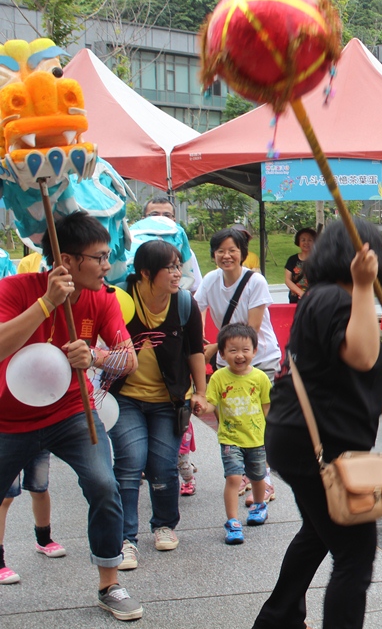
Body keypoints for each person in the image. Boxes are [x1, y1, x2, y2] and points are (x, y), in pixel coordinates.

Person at [252, 218, 382, 629]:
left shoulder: (322, 297)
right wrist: (362, 288)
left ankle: (278, 618)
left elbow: (347, 364)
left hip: (299, 437)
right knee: (355, 556)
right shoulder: (337, 298)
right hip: (315, 442)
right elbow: (359, 358)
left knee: (317, 534)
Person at [0, 210, 142, 621]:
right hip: (9, 418)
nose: (107, 265)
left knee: (103, 484)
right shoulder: (14, 289)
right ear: (67, 261)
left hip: (72, 412)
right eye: (99, 257)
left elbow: (127, 359)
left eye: (107, 255)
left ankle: (110, 583)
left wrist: (94, 354)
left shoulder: (104, 298)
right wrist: (47, 303)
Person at [107, 240, 208, 571]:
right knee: (130, 463)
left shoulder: (183, 303)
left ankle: (164, 524)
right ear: (146, 273)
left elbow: (195, 350)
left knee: (163, 466)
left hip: (168, 400)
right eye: (171, 268)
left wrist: (200, 392)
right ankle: (126, 539)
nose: (178, 273)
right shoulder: (119, 299)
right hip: (125, 398)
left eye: (180, 265)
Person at [196, 227, 282, 502]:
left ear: (243, 254)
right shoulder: (210, 280)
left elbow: (251, 330)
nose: (226, 256)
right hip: (225, 361)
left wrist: (215, 347)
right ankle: (243, 472)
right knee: (230, 417)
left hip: (259, 358)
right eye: (220, 251)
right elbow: (197, 310)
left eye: (232, 250)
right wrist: (199, 345)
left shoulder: (255, 282)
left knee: (255, 418)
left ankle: (263, 476)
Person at [206, 323, 272, 545]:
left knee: (257, 476)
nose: (240, 355)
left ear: (254, 351)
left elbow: (266, 407)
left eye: (245, 349)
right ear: (222, 353)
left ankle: (259, 506)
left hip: (256, 438)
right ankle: (233, 522)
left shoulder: (261, 378)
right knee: (234, 477)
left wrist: (271, 432)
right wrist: (200, 406)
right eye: (232, 350)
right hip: (230, 438)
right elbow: (210, 403)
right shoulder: (218, 378)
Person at [0, 451, 66, 585]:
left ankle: (44, 539)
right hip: (7, 436)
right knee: (5, 497)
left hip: (38, 436)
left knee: (39, 488)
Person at [129, 196, 202, 293]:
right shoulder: (129, 247)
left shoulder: (185, 253)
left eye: (166, 216)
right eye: (154, 215)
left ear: (174, 220)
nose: (161, 220)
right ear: (143, 219)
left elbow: (194, 287)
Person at [284, 227, 317, 303]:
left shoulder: (319, 259)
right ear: (298, 242)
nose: (306, 243)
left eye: (310, 240)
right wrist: (301, 293)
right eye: (303, 240)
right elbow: (287, 280)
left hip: (315, 299)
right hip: (296, 299)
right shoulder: (292, 260)